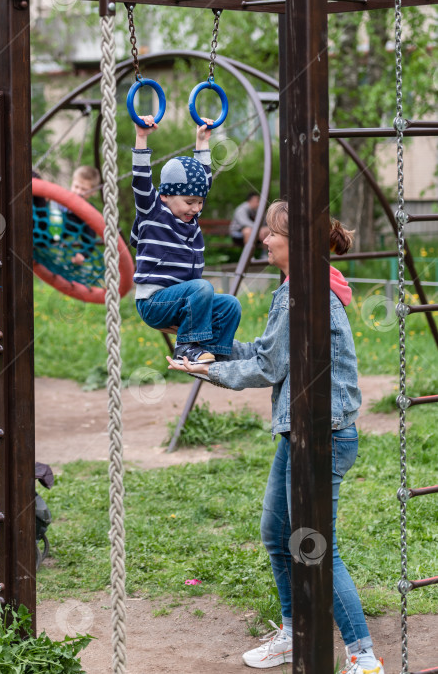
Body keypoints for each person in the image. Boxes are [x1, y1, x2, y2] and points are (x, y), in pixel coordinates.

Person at [167, 200, 384, 674]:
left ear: (298, 242)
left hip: (321, 434)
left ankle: (363, 655)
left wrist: (212, 372)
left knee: (313, 541)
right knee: (277, 533)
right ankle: (294, 631)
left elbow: (267, 367)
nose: (263, 239)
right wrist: (208, 356)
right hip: (303, 431)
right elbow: (270, 351)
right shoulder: (303, 286)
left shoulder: (302, 292)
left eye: (271, 233)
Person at [130, 115, 242, 365]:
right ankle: (186, 347)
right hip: (155, 301)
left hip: (183, 301)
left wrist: (202, 142)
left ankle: (214, 354)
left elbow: (203, 180)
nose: (196, 208)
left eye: (200, 202)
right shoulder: (153, 213)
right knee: (202, 286)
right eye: (190, 202)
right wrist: (141, 137)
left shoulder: (190, 217)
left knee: (230, 304)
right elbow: (140, 180)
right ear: (165, 196)